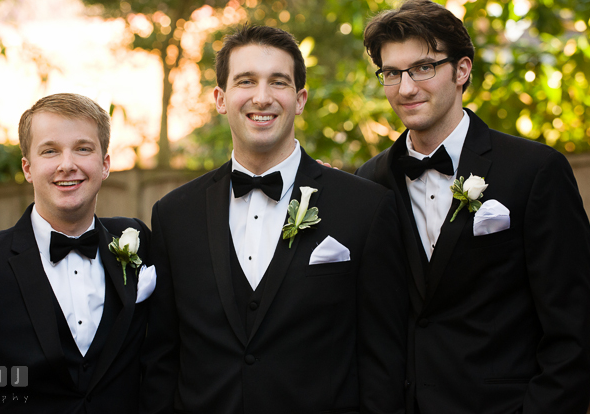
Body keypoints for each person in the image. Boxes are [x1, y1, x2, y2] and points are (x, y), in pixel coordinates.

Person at [356, 0, 590, 414]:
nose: (406, 87)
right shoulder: (369, 182)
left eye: (423, 68)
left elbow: (574, 328)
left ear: (462, 70)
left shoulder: (535, 171)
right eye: (392, 73)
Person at [142, 25, 408, 413]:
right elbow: (161, 362)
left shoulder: (365, 208)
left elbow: (382, 362)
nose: (262, 98)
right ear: (221, 98)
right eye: (246, 81)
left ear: (299, 99)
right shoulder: (173, 215)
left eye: (278, 82)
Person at [0, 93, 155, 413]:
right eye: (50, 151)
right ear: (27, 167)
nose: (67, 165)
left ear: (105, 164)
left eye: (83, 148)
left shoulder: (137, 240)